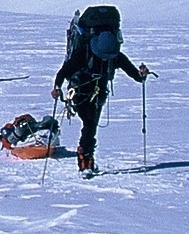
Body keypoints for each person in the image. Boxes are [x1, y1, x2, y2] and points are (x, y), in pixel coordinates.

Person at [51, 10, 148, 174]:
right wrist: (57, 87)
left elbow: (135, 76)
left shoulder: (113, 55)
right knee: (89, 124)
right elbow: (64, 72)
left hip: (97, 93)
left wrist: (142, 75)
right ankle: (85, 159)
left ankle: (86, 157)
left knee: (91, 125)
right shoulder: (85, 53)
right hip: (80, 90)